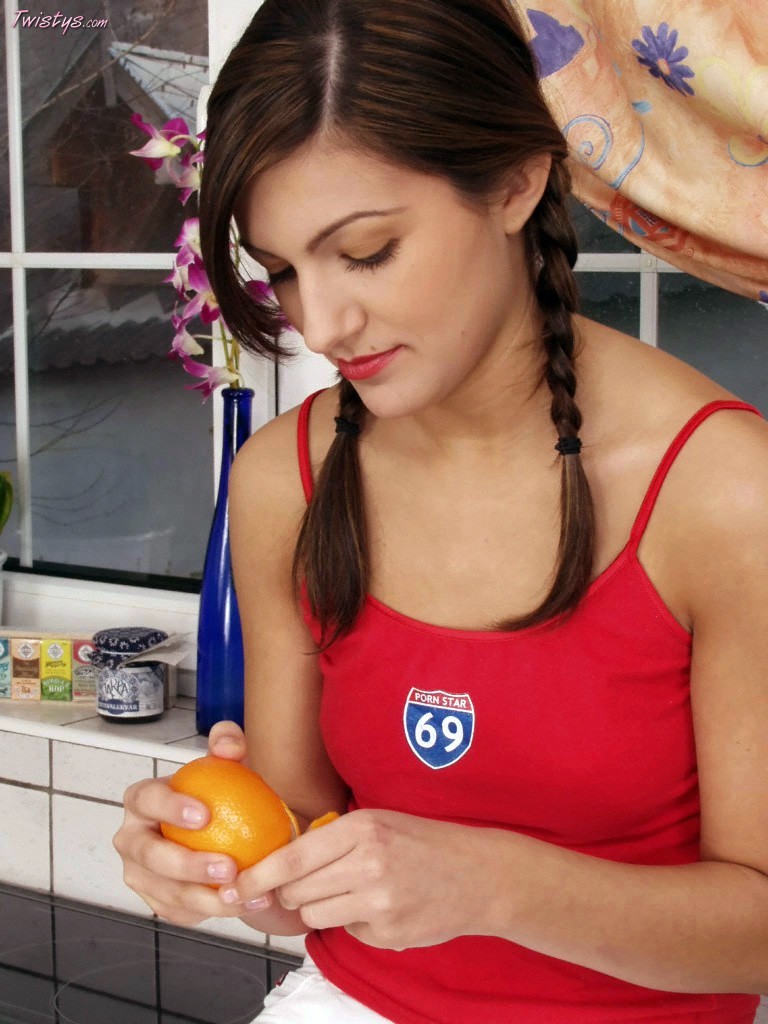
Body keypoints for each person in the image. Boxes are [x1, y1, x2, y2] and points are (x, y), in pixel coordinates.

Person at [114, 1, 768, 1021]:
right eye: (282, 271)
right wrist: (207, 862)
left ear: (514, 181)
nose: (321, 325)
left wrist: (493, 885)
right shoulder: (283, 479)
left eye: (367, 250)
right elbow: (299, 854)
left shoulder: (725, 493)